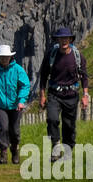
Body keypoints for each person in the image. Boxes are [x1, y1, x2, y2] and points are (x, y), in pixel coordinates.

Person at [38, 25, 89, 161]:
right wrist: (42, 96)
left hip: (72, 95)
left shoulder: (78, 56)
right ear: (57, 40)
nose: (64, 41)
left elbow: (84, 76)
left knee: (69, 125)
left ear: (70, 39)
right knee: (52, 119)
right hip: (54, 93)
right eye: (61, 39)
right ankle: (56, 146)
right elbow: (43, 75)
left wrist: (85, 95)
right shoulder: (51, 55)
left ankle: (68, 151)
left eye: (66, 38)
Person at [0, 43, 30, 164]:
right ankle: (3, 153)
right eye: (1, 57)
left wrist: (21, 100)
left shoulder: (18, 69)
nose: (4, 59)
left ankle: (14, 150)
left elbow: (25, 85)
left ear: (10, 57)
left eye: (6, 57)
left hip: (15, 105)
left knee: (14, 130)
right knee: (3, 128)